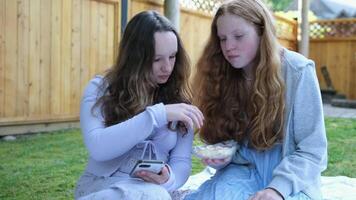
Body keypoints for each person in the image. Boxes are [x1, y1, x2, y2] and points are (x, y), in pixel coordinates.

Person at [184, 0, 327, 200]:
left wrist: (277, 190)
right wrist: (223, 157)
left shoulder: (298, 71)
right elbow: (231, 145)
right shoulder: (224, 74)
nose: (229, 47)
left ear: (262, 32)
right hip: (242, 173)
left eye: (239, 36)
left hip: (291, 181)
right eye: (222, 39)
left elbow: (313, 151)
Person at [74, 10, 204, 200]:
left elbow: (181, 161)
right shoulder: (100, 89)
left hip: (154, 190)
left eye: (173, 56)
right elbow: (98, 147)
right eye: (157, 59)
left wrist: (169, 178)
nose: (167, 67)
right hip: (104, 186)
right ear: (134, 57)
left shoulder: (179, 101)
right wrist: (158, 115)